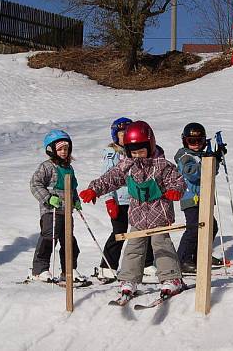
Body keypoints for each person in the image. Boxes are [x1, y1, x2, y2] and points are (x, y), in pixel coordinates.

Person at [79, 121, 186, 297]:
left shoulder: (162, 165)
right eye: (133, 152)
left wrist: (175, 191)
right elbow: (111, 178)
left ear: (150, 146)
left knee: (161, 245)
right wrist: (94, 189)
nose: (138, 156)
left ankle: (171, 278)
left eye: (141, 151)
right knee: (133, 247)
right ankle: (129, 279)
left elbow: (178, 180)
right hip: (137, 215)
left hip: (159, 214)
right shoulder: (127, 165)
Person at [93, 117, 156, 283]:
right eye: (121, 134)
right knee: (119, 233)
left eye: (126, 133)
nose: (124, 137)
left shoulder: (134, 152)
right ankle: (107, 267)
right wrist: (109, 200)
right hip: (119, 201)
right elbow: (107, 177)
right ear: (115, 136)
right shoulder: (112, 154)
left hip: (137, 199)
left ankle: (147, 264)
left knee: (144, 231)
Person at [29, 129, 86, 283]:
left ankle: (68, 270)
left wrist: (76, 199)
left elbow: (71, 187)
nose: (63, 152)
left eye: (66, 149)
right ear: (51, 150)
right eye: (60, 149)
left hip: (67, 211)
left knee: (69, 240)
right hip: (50, 210)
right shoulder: (46, 167)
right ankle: (40, 270)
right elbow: (35, 184)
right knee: (49, 237)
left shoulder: (69, 168)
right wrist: (48, 198)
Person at [174, 123, 224, 273]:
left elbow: (211, 173)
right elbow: (192, 173)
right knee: (194, 228)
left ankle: (199, 255)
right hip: (191, 199)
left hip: (205, 197)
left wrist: (216, 158)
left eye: (199, 141)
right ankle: (182, 259)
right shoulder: (185, 156)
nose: (196, 145)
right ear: (185, 141)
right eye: (192, 141)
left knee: (211, 226)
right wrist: (208, 161)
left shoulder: (202, 155)